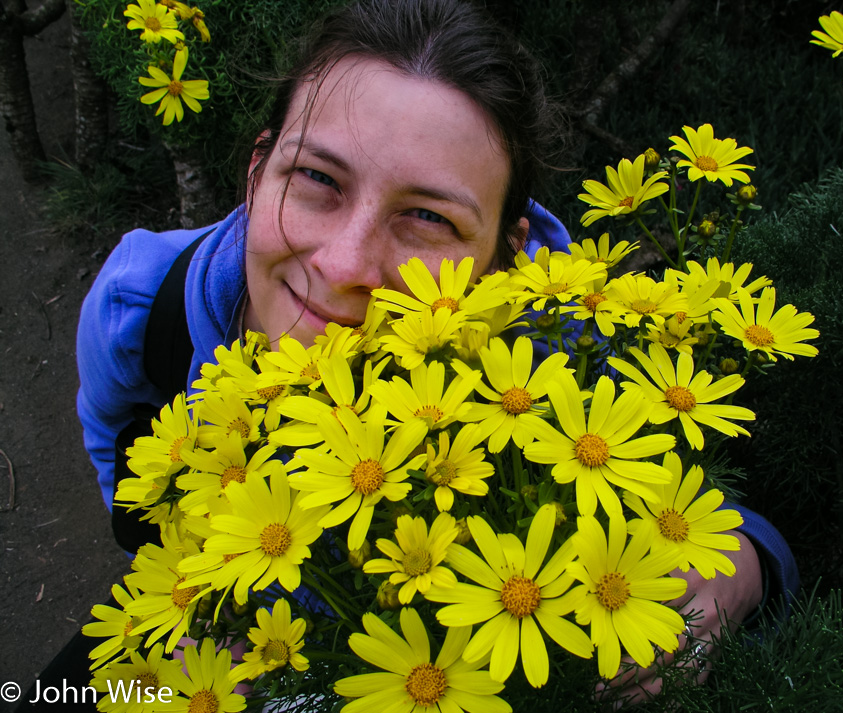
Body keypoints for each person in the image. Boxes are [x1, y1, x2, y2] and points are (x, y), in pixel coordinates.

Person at [69, 0, 797, 707]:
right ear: (259, 172)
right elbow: (124, 455)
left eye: (426, 217)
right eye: (318, 178)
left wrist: (748, 569)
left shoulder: (554, 365)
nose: (346, 263)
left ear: (503, 260)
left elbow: (694, 508)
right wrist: (185, 584)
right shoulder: (140, 308)